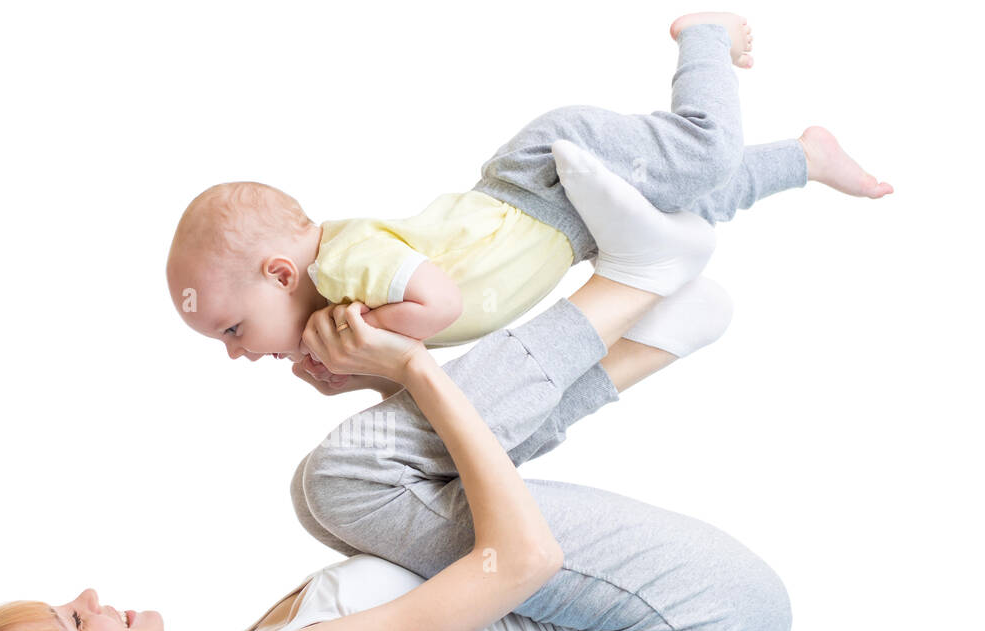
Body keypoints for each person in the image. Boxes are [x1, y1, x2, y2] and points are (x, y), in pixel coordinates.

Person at [0, 143, 791, 631]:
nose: (88, 597)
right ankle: (635, 283)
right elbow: (524, 561)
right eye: (72, 623)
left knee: (350, 490)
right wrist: (409, 367)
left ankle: (636, 339)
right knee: (342, 483)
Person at [165, 12, 890, 394]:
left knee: (703, 152)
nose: (237, 352)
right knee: (701, 196)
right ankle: (806, 157)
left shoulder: (342, 260)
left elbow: (440, 302)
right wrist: (359, 368)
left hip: (548, 176)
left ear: (280, 275)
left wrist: (370, 337)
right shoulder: (336, 298)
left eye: (232, 328)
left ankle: (704, 36)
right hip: (569, 225)